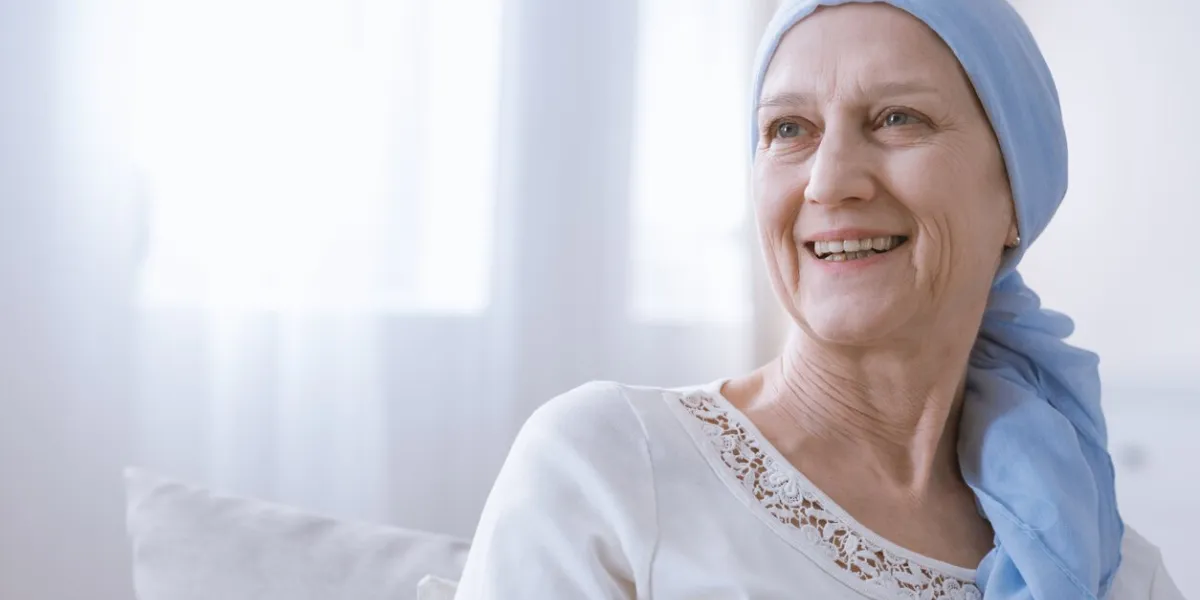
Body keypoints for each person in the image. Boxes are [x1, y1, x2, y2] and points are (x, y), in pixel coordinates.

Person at [454, 0, 1185, 598]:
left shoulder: (1106, 567)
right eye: (788, 130)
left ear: (1017, 195)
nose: (829, 181)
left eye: (898, 118)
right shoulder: (608, 466)